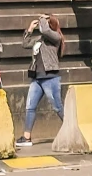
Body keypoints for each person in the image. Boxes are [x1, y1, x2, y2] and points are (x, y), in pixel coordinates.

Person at [18, 12, 65, 145]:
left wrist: (43, 19)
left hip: (50, 76)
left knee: (57, 107)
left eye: (44, 21)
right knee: (30, 106)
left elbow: (45, 30)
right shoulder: (39, 39)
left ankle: (72, 129)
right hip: (37, 77)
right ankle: (27, 137)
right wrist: (29, 30)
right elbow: (25, 43)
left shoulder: (55, 37)